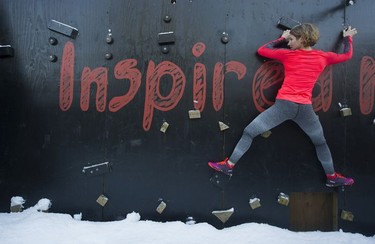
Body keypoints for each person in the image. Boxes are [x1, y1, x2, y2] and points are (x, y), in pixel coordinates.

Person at [208, 23, 358, 187]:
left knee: (249, 132)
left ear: (302, 39)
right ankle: (332, 177)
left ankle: (229, 166)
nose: (289, 43)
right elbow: (347, 55)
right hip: (305, 109)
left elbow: (263, 50)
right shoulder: (323, 57)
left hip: (284, 106)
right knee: (320, 142)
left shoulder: (288, 55)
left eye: (292, 39)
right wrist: (347, 37)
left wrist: (281, 38)